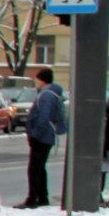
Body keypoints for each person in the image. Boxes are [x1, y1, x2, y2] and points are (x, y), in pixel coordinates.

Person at [24, 67, 67, 207]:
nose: (35, 81)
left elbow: (43, 116)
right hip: (46, 136)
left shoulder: (46, 95)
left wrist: (35, 134)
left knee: (34, 169)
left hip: (42, 137)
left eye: (37, 78)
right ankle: (42, 197)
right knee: (40, 168)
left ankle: (33, 198)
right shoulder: (52, 93)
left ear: (42, 80)